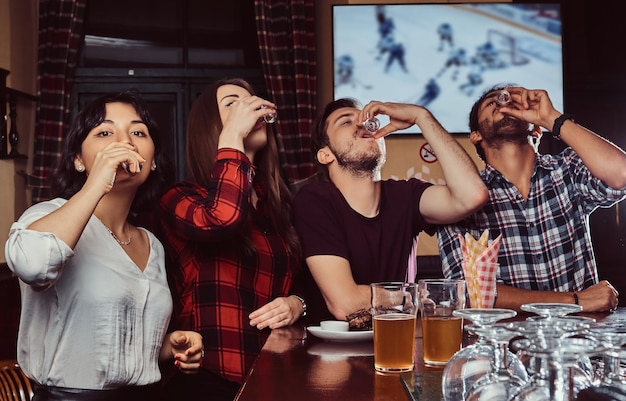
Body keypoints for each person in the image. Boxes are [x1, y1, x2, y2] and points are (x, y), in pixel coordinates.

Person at [4, 90, 203, 401]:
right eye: (105, 132)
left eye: (138, 132)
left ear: (151, 163)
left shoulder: (152, 244)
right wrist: (96, 184)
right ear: (79, 161)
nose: (123, 141)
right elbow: (33, 265)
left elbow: (118, 346)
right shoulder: (45, 216)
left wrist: (170, 347)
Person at [158, 78, 305, 401]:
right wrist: (232, 138)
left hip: (275, 376)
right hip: (207, 381)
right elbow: (221, 219)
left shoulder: (277, 204)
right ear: (211, 128)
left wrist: (297, 304)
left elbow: (301, 281)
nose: (248, 108)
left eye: (251, 100)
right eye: (232, 104)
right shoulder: (180, 196)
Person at [294, 98, 488, 321]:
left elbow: (473, 195)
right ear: (325, 154)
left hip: (400, 340)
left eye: (367, 121)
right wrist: (410, 298)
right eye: (346, 122)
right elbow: (345, 304)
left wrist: (421, 117)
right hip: (332, 351)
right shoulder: (315, 200)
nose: (362, 125)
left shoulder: (405, 195)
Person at [437, 85, 626, 312]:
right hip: (503, 344)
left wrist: (552, 119)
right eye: (491, 103)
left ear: (536, 129)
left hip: (578, 341)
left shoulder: (567, 168)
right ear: (475, 135)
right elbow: (468, 292)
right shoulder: (461, 199)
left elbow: (621, 175)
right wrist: (575, 301)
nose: (503, 103)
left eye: (513, 104)